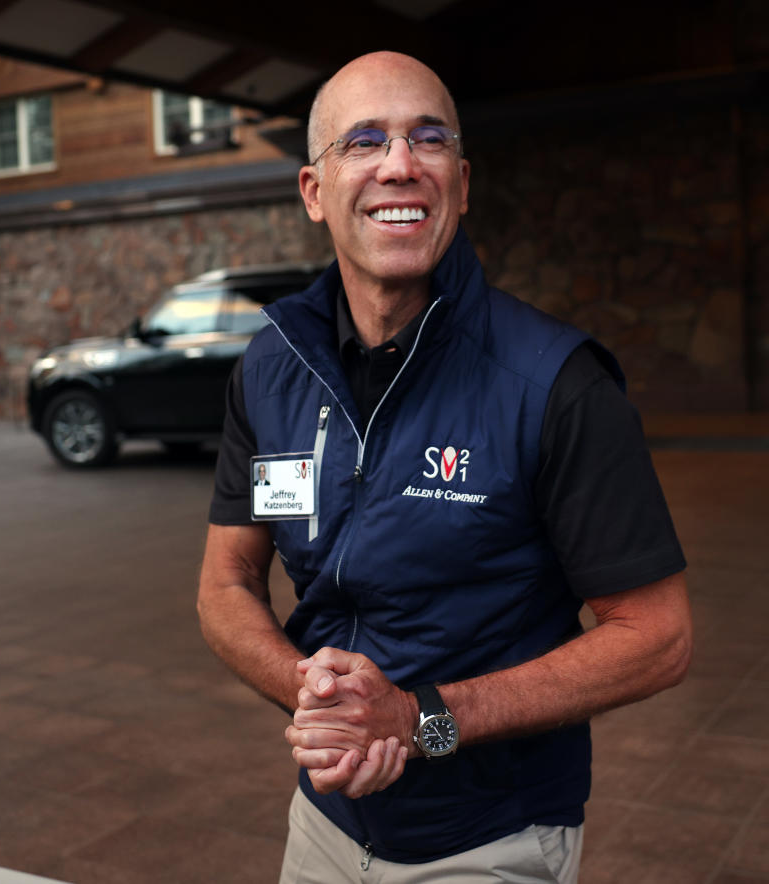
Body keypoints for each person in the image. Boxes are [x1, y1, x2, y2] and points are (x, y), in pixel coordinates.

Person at [197, 50, 692, 883]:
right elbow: (223, 587)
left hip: (491, 837)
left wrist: (421, 718)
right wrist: (317, 702)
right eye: (364, 141)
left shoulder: (554, 383)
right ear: (315, 192)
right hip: (321, 824)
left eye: (427, 140)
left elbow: (659, 639)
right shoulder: (273, 366)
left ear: (459, 184)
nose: (400, 164)